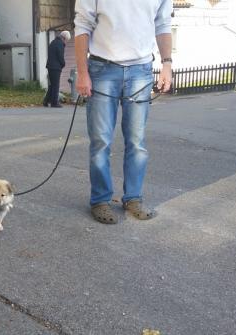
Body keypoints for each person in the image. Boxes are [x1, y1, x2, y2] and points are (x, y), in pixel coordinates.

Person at [74, 0, 173, 224]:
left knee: (137, 141)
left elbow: (163, 24)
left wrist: (167, 64)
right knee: (100, 141)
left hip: (141, 70)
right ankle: (100, 200)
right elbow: (82, 26)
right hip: (102, 69)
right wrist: (82, 72)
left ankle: (133, 199)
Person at [43, 31, 71, 108]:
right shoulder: (60, 44)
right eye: (66, 40)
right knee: (55, 85)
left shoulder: (53, 42)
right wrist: (63, 64)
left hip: (50, 66)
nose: (66, 42)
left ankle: (46, 101)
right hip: (56, 67)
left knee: (52, 85)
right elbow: (60, 56)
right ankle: (54, 102)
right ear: (63, 38)